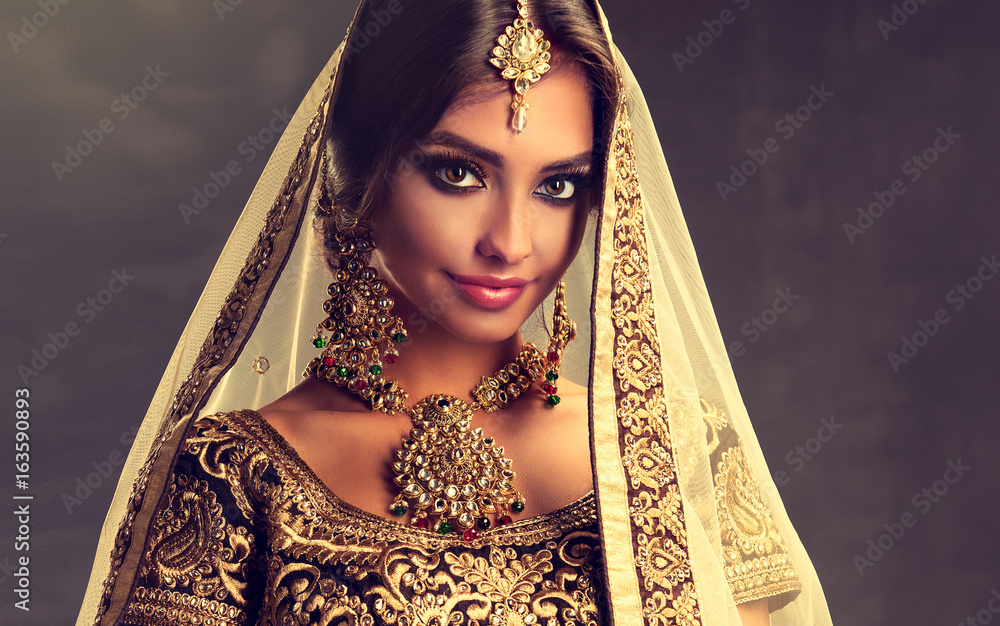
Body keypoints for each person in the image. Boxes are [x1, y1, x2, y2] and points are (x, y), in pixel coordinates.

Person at [77, 0, 834, 624]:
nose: (512, 242)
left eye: (558, 186)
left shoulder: (675, 449)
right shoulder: (232, 477)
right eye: (459, 173)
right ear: (358, 179)